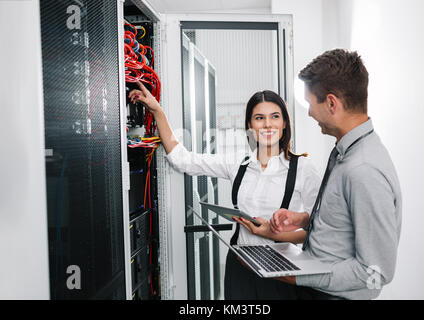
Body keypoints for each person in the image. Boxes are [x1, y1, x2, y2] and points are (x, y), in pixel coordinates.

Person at [129, 82, 321, 299]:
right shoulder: (238, 162)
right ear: (250, 124)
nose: (268, 124)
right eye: (259, 118)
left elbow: (321, 231)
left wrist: (274, 233)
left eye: (275, 116)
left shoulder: (303, 169)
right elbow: (184, 160)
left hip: (282, 271)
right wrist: (157, 111)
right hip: (240, 265)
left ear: (285, 122)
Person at [270, 49, 402, 300]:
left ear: (331, 103)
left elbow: (376, 272)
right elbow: (347, 224)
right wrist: (305, 219)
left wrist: (294, 274)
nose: (308, 112)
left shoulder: (363, 170)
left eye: (310, 103)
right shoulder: (347, 152)